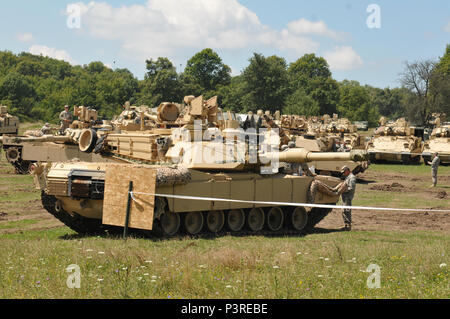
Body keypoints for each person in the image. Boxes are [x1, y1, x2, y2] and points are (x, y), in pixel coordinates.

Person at [339, 165, 356, 231]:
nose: (343, 174)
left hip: (347, 197)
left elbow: (351, 188)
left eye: (344, 172)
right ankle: (346, 225)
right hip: (345, 196)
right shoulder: (348, 177)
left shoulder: (352, 178)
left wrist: (342, 190)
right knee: (344, 211)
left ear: (347, 171)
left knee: (346, 211)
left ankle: (348, 226)